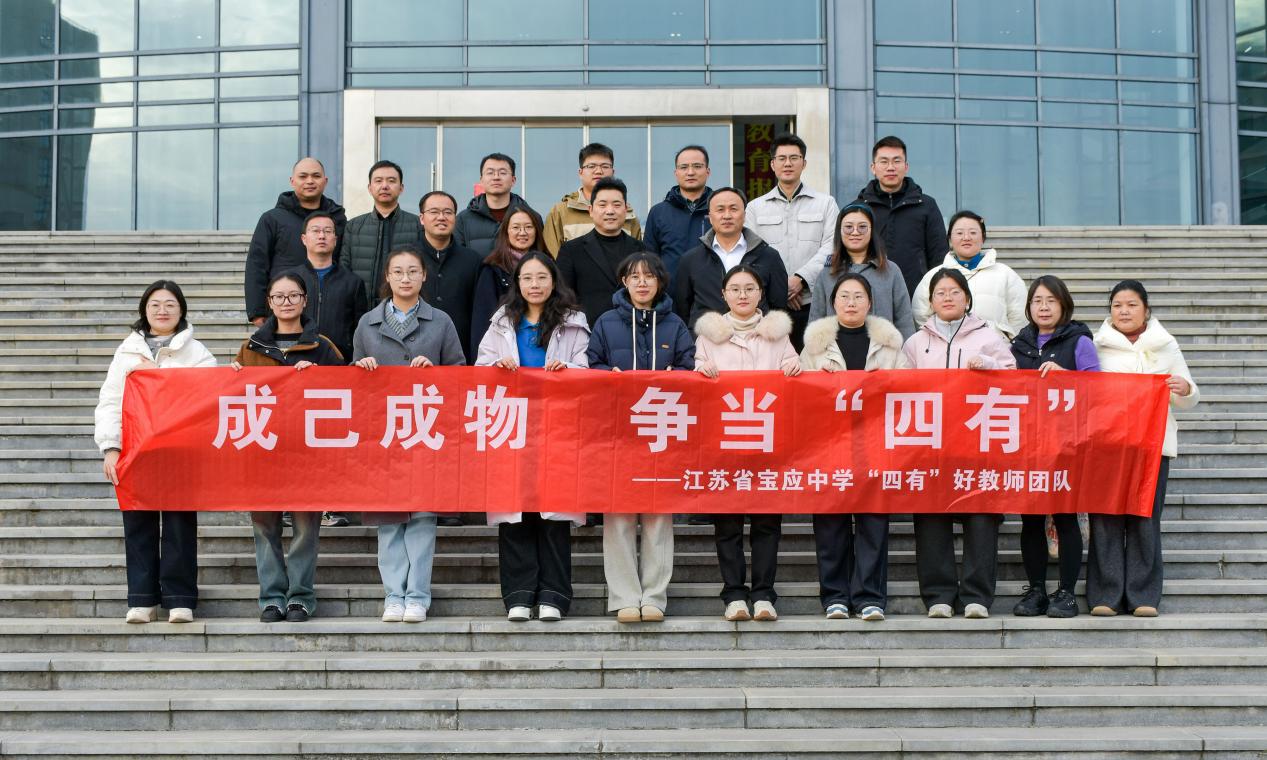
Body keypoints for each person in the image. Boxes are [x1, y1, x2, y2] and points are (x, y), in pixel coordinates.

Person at [352, 246, 466, 624]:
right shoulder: (368, 323)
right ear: (387, 277)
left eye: (412, 271)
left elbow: (460, 373)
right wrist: (361, 367)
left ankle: (417, 595)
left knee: (422, 519)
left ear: (423, 276)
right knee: (389, 521)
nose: (405, 278)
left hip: (425, 431)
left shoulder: (441, 321)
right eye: (398, 272)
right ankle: (393, 595)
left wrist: (436, 371)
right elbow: (351, 380)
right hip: (383, 435)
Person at [475, 252, 590, 621]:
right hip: (513, 428)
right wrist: (497, 366)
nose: (535, 285)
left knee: (553, 514)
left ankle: (554, 596)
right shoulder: (501, 323)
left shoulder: (573, 323)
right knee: (517, 513)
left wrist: (566, 368)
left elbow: (588, 370)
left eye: (542, 277)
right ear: (517, 284)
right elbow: (480, 369)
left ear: (553, 281)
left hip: (557, 428)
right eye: (527, 278)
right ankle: (519, 595)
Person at [95, 281, 216, 624]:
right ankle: (142, 599)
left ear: (181, 310)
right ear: (144, 310)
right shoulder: (127, 351)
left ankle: (180, 599)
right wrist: (111, 447)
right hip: (135, 451)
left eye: (170, 304)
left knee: (179, 525)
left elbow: (209, 397)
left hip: (180, 451)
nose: (162, 310)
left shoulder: (197, 352)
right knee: (138, 522)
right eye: (155, 305)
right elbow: (111, 400)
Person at [899, 268, 1016, 618]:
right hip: (930, 445)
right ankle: (939, 596)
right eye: (940, 293)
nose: (947, 298)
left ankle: (977, 596)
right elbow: (899, 387)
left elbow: (1014, 378)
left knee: (981, 518)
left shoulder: (989, 336)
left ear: (967, 298)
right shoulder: (915, 342)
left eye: (954, 292)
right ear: (930, 301)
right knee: (931, 519)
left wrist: (991, 364)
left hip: (978, 444)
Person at [587, 252, 695, 623]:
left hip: (661, 433)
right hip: (617, 432)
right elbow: (591, 365)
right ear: (624, 282)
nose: (642, 282)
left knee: (658, 517)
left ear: (660, 282)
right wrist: (609, 376)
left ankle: (654, 597)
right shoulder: (605, 322)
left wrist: (675, 376)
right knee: (617, 516)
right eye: (634, 276)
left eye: (649, 276)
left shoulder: (675, 324)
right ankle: (624, 597)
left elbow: (689, 367)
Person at [232, 272, 345, 623]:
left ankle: (300, 596)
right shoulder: (250, 348)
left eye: (293, 295)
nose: (286, 302)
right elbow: (235, 399)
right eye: (279, 296)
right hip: (263, 452)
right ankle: (271, 597)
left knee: (306, 529)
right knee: (264, 527)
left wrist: (321, 376)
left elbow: (347, 393)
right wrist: (230, 377)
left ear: (305, 300)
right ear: (268, 302)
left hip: (307, 455)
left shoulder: (322, 346)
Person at [694, 265, 800, 622]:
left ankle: (764, 594)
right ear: (723, 295)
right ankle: (734, 594)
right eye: (735, 289)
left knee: (767, 523)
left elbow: (794, 375)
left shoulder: (778, 334)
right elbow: (694, 385)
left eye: (750, 288)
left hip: (769, 444)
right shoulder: (708, 336)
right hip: (724, 443)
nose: (743, 295)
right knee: (727, 524)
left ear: (761, 294)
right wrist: (700, 373)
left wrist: (795, 369)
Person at [1088, 280, 1198, 618]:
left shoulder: (1165, 344)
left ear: (1146, 310)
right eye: (1117, 305)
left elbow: (1188, 394)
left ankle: (1143, 595)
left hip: (1152, 446)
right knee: (1105, 518)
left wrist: (1185, 388)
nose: (1124, 311)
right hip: (1107, 446)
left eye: (1132, 304)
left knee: (1145, 519)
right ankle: (1105, 595)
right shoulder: (1095, 345)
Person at [799, 273, 904, 622]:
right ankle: (835, 596)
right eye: (844, 296)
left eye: (858, 296)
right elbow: (798, 397)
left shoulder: (890, 345)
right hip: (828, 449)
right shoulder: (814, 346)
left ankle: (870, 597)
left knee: (873, 525)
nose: (851, 302)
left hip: (876, 448)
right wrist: (817, 383)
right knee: (831, 525)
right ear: (833, 302)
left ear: (870, 302)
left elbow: (909, 392)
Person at [1010, 275, 1099, 619]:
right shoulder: (1019, 344)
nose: (1043, 307)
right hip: (1027, 444)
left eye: (1051, 301)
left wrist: (1067, 376)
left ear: (1064, 305)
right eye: (1037, 301)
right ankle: (1036, 590)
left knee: (1065, 516)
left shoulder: (1079, 341)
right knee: (1030, 519)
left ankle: (1066, 592)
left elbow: (1099, 389)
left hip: (1067, 444)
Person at [745, 133, 839, 350]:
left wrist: (801, 279)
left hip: (812, 302)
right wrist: (781, 289)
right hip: (770, 307)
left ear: (804, 163)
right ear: (772, 164)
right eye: (782, 158)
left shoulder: (825, 204)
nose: (788, 163)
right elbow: (752, 253)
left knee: (813, 361)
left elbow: (832, 246)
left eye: (794, 158)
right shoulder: (755, 208)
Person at [244, 157, 347, 326]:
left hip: (329, 307)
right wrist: (257, 311)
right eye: (303, 176)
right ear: (292, 181)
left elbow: (344, 261)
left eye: (316, 176)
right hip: (284, 308)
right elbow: (257, 264)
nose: (310, 181)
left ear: (325, 181)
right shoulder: (272, 219)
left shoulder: (337, 219)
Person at [673, 187, 789, 330]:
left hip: (756, 338)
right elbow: (683, 309)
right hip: (707, 339)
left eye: (733, 209)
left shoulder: (768, 256)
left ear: (744, 215)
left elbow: (778, 307)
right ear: (710, 217)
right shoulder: (691, 259)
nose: (727, 216)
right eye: (720, 210)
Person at [912, 210, 1026, 339]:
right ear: (950, 238)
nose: (966, 238)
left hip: (994, 349)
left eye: (973, 232)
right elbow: (921, 314)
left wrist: (1007, 343)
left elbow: (1019, 317)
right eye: (959, 233)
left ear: (983, 237)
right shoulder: (933, 276)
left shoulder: (1005, 274)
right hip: (947, 349)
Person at [856, 135, 947, 296]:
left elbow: (939, 255)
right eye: (884, 161)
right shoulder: (859, 208)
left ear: (906, 167)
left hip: (917, 294)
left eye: (896, 161)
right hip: (869, 294)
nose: (890, 167)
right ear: (873, 167)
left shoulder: (926, 205)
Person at [809, 203, 914, 340]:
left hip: (882, 350)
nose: (855, 232)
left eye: (862, 227)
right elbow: (816, 322)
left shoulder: (891, 271)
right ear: (839, 231)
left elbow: (904, 319)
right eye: (848, 227)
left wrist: (905, 350)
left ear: (872, 230)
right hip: (836, 350)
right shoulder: (827, 273)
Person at [557, 176, 647, 330]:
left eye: (617, 205)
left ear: (626, 209)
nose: (610, 211)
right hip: (587, 333)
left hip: (633, 331)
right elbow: (562, 298)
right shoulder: (571, 250)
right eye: (602, 205)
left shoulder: (641, 250)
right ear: (591, 210)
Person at [342, 160, 424, 305]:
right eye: (378, 181)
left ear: (401, 188)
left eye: (391, 181)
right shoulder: (353, 227)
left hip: (405, 307)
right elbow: (344, 269)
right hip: (362, 308)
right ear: (370, 188)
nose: (384, 186)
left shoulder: (417, 225)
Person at [293, 210, 368, 366]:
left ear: (335, 240)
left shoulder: (353, 282)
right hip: (296, 363)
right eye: (316, 231)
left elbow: (360, 330)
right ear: (304, 239)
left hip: (339, 364)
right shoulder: (289, 280)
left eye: (328, 231)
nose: (322, 236)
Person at [471, 207, 546, 357]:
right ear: (506, 232)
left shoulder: (549, 266)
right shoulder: (492, 269)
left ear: (537, 231)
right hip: (505, 354)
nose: (522, 233)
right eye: (516, 227)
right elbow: (483, 320)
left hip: (544, 348)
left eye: (528, 227)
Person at [543, 143, 641, 255]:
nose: (598, 171)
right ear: (580, 173)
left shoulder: (628, 215)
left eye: (605, 166)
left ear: (613, 172)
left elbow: (637, 258)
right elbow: (551, 255)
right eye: (591, 166)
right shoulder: (560, 212)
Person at [418, 190, 482, 361]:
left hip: (460, 352)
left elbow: (479, 313)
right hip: (414, 353)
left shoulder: (473, 260)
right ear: (422, 218)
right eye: (434, 212)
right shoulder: (406, 257)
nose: (441, 217)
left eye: (448, 212)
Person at [642, 145, 714, 277]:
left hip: (711, 288)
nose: (690, 172)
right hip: (670, 288)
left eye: (697, 166)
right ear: (676, 173)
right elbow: (649, 260)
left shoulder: (719, 211)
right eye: (684, 167)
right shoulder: (658, 212)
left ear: (708, 172)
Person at [454, 152, 532, 258]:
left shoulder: (531, 217)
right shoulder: (463, 219)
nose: (496, 177)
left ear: (513, 180)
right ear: (481, 180)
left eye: (502, 173)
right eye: (490, 172)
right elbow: (457, 259)